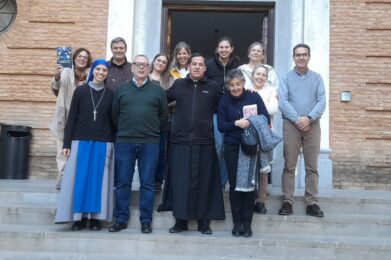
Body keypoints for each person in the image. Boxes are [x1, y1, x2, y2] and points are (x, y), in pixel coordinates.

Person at [166, 53, 225, 235]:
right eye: (194, 64)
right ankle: (180, 221)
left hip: (204, 141)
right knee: (181, 183)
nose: (197, 67)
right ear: (189, 67)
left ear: (205, 68)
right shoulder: (178, 85)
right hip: (181, 141)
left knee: (204, 184)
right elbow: (160, 100)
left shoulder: (213, 87)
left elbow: (224, 106)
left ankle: (203, 222)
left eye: (201, 64)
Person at [109, 54, 168, 233]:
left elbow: (164, 116)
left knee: (147, 183)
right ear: (132, 68)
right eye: (138, 64)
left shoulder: (158, 91)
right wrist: (127, 130)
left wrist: (150, 130)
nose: (141, 67)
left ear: (149, 68)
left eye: (145, 65)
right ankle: (120, 219)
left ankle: (145, 221)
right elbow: (114, 115)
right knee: (123, 182)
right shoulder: (122, 89)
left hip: (150, 142)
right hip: (125, 141)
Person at [54, 59, 115, 231]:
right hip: (80, 141)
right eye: (98, 69)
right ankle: (78, 218)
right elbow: (71, 118)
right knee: (79, 181)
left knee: (97, 182)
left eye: (104, 70)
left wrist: (114, 143)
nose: (101, 73)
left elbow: (113, 121)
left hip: (103, 143)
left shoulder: (111, 94)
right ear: (92, 71)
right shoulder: (80, 91)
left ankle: (95, 219)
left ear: (107, 73)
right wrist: (67, 143)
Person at [218, 69, 269, 237]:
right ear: (227, 86)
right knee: (235, 186)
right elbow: (221, 126)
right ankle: (237, 223)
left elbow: (265, 118)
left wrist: (250, 121)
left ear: (243, 84)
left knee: (248, 186)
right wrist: (236, 123)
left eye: (238, 84)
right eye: (231, 85)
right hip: (232, 146)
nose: (235, 88)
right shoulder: (224, 101)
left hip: (250, 146)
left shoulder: (253, 97)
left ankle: (247, 224)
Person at [278, 43, 326, 217]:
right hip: (291, 125)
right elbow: (283, 101)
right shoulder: (286, 78)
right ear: (293, 57)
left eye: (304, 54)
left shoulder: (317, 78)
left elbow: (321, 101)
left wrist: (309, 118)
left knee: (312, 166)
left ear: (309, 56)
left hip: (313, 125)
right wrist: (298, 119)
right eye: (298, 55)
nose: (301, 57)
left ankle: (312, 203)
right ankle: (287, 201)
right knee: (289, 165)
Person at [50, 47, 92, 190]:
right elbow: (56, 87)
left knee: (77, 149)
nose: (82, 59)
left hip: (82, 119)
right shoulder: (66, 72)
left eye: (85, 57)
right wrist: (56, 76)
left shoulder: (90, 75)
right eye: (79, 56)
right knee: (62, 149)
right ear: (74, 58)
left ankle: (75, 178)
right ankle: (62, 179)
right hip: (64, 116)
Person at [157, 42, 191, 212]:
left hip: (191, 118)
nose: (182, 56)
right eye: (179, 54)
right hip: (174, 115)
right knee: (169, 150)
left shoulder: (194, 71)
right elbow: (167, 97)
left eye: (185, 53)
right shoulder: (170, 74)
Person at [205, 36, 240, 188]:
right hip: (215, 112)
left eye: (227, 47)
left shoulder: (238, 66)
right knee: (218, 147)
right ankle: (218, 181)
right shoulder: (209, 64)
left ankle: (224, 180)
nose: (224, 50)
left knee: (229, 147)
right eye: (221, 47)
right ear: (217, 49)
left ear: (231, 49)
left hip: (233, 112)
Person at [251, 64, 279, 214]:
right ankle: (249, 199)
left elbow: (274, 108)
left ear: (266, 78)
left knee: (263, 169)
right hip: (248, 135)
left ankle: (261, 201)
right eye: (258, 74)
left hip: (266, 135)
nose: (260, 77)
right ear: (252, 75)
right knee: (248, 167)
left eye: (263, 75)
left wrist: (253, 108)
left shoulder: (271, 90)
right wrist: (262, 106)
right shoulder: (246, 89)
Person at [149, 53, 171, 192]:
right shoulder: (145, 77)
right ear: (154, 61)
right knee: (146, 152)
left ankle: (158, 181)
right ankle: (147, 179)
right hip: (145, 121)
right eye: (159, 60)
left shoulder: (169, 81)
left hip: (162, 121)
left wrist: (161, 105)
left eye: (164, 62)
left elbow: (174, 99)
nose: (161, 63)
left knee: (160, 152)